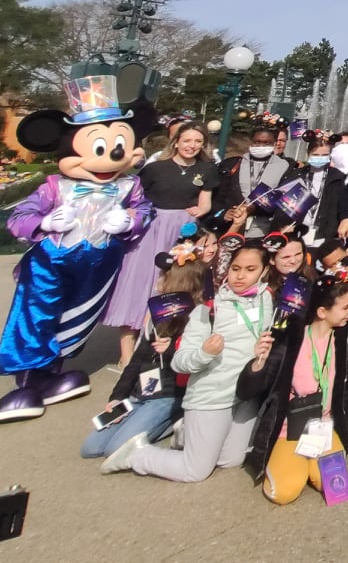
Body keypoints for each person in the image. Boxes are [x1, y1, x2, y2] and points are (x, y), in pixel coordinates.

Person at [103, 240, 272, 479]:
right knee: (195, 471)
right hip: (211, 396)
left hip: (245, 394)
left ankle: (187, 434)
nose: (241, 276)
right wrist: (205, 353)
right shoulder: (209, 310)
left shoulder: (266, 299)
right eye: (235, 268)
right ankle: (137, 456)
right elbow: (179, 362)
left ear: (264, 271)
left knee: (230, 460)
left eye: (250, 269)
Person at [240, 276, 348, 502]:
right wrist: (258, 363)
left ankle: (308, 462)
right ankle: (293, 463)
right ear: (322, 312)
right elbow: (248, 390)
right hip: (290, 427)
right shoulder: (290, 339)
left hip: (324, 425)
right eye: (345, 307)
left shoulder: (343, 336)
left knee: (335, 487)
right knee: (284, 493)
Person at [103, 121, 215, 369]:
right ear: (176, 141)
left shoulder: (207, 170)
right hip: (151, 229)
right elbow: (133, 197)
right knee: (139, 284)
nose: (192, 146)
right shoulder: (155, 169)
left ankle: (161, 348)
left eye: (198, 141)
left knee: (174, 286)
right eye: (187, 140)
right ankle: (127, 353)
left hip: (183, 232)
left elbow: (206, 203)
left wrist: (200, 211)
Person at [82, 259, 202, 461]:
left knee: (116, 450)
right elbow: (137, 361)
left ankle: (176, 419)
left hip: (168, 395)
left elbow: (198, 360)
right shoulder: (158, 315)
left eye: (164, 277)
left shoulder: (197, 318)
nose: (159, 281)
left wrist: (172, 349)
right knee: (91, 448)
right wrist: (117, 396)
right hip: (142, 392)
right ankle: (141, 420)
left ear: (179, 283)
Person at [214, 126, 296, 237]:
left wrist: (256, 208)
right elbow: (218, 196)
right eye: (257, 142)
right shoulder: (232, 164)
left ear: (274, 143)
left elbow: (285, 198)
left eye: (266, 143)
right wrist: (224, 213)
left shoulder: (285, 166)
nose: (261, 146)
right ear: (250, 142)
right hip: (232, 226)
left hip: (263, 230)